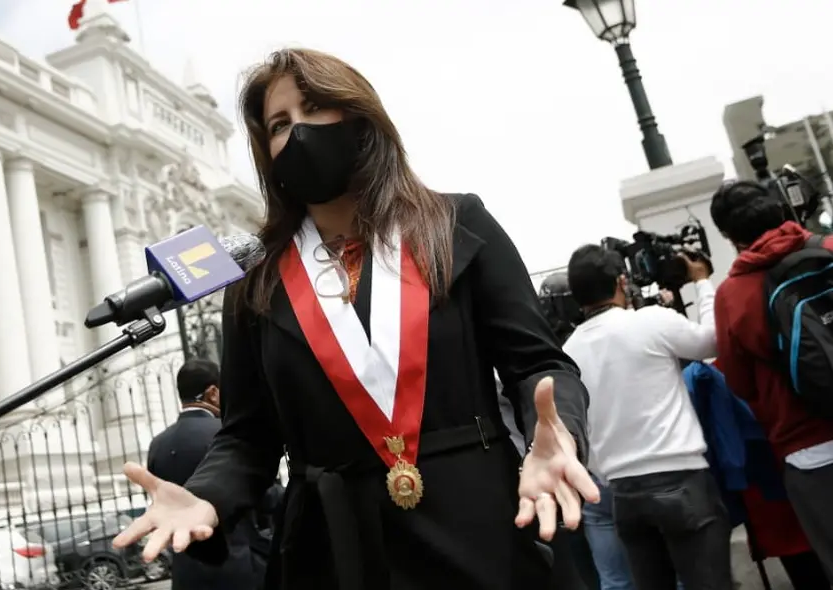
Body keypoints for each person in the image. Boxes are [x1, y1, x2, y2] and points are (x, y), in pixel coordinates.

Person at [112, 47, 598, 590]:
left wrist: (557, 435)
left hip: (482, 527)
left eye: (314, 108)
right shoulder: (257, 278)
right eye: (278, 125)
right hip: (333, 550)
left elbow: (538, 364)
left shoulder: (455, 223)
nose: (297, 132)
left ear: (359, 116)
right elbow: (247, 437)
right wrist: (206, 496)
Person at [562, 245, 732, 590]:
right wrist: (702, 282)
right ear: (620, 281)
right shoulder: (651, 321)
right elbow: (713, 342)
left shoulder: (568, 353)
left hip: (623, 494)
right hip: (682, 479)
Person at [709, 180, 833, 576]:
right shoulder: (829, 250)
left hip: (807, 452)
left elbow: (740, 383)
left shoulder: (733, 294)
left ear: (729, 236)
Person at [146, 359, 262, 590]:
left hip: (186, 574)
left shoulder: (157, 445)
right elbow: (262, 497)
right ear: (213, 393)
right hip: (238, 567)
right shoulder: (227, 436)